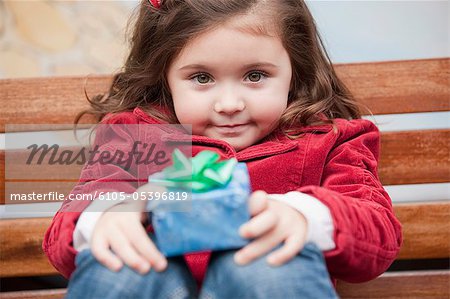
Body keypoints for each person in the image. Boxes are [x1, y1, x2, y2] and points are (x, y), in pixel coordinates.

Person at [43, 0, 402, 298]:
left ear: (295, 68)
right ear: (164, 76)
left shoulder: (329, 138)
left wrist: (304, 215)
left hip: (263, 280)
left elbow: (379, 233)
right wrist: (109, 217)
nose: (229, 104)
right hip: (156, 280)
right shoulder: (136, 136)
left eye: (255, 75)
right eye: (202, 78)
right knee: (116, 266)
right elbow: (62, 235)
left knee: (269, 263)